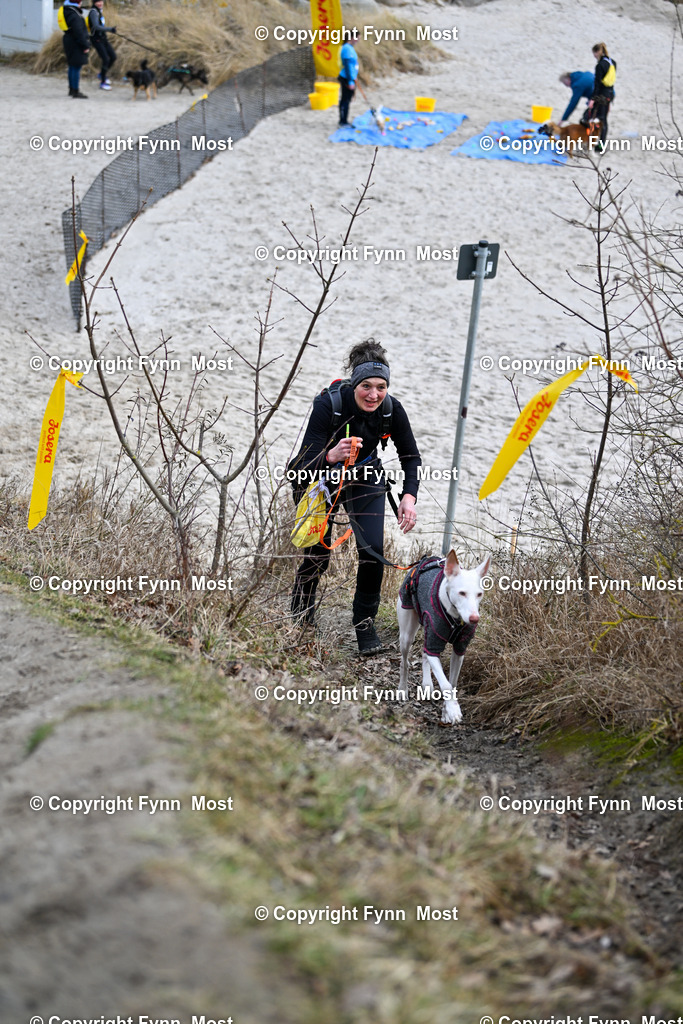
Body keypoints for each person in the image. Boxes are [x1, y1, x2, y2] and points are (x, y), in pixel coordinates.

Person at [289, 340, 421, 655]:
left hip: (363, 475)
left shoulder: (392, 409)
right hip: (320, 478)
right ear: (354, 383)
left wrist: (409, 497)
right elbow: (299, 468)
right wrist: (332, 454)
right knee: (318, 551)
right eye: (366, 386)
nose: (374, 395)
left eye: (381, 386)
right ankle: (302, 611)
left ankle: (364, 625)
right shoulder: (329, 405)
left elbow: (411, 457)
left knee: (373, 549)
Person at [581, 42, 617, 149]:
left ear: (598, 52)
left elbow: (597, 84)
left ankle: (589, 141)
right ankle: (601, 144)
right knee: (603, 120)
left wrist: (592, 99)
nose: (594, 56)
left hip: (601, 95)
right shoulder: (613, 63)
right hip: (610, 94)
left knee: (588, 116)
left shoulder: (600, 65)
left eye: (594, 54)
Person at [60, 0, 90, 98]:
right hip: (75, 42)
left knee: (72, 66)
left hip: (69, 40)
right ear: (78, 3)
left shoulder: (67, 10)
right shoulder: (74, 14)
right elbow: (79, 32)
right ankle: (76, 91)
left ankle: (71, 89)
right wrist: (85, 45)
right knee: (76, 67)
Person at [88, 0, 117, 91]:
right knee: (106, 59)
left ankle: (101, 75)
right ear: (94, 2)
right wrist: (110, 29)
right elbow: (96, 26)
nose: (100, 3)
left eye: (101, 1)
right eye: (97, 2)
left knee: (113, 56)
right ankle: (103, 82)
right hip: (96, 40)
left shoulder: (99, 11)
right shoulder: (93, 12)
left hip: (103, 38)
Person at [338, 28, 359, 128]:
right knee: (345, 100)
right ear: (352, 38)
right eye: (357, 38)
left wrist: (354, 78)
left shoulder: (350, 47)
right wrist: (351, 81)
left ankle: (344, 120)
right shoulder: (347, 48)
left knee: (347, 100)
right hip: (346, 78)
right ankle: (343, 121)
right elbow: (347, 66)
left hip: (350, 77)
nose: (358, 40)